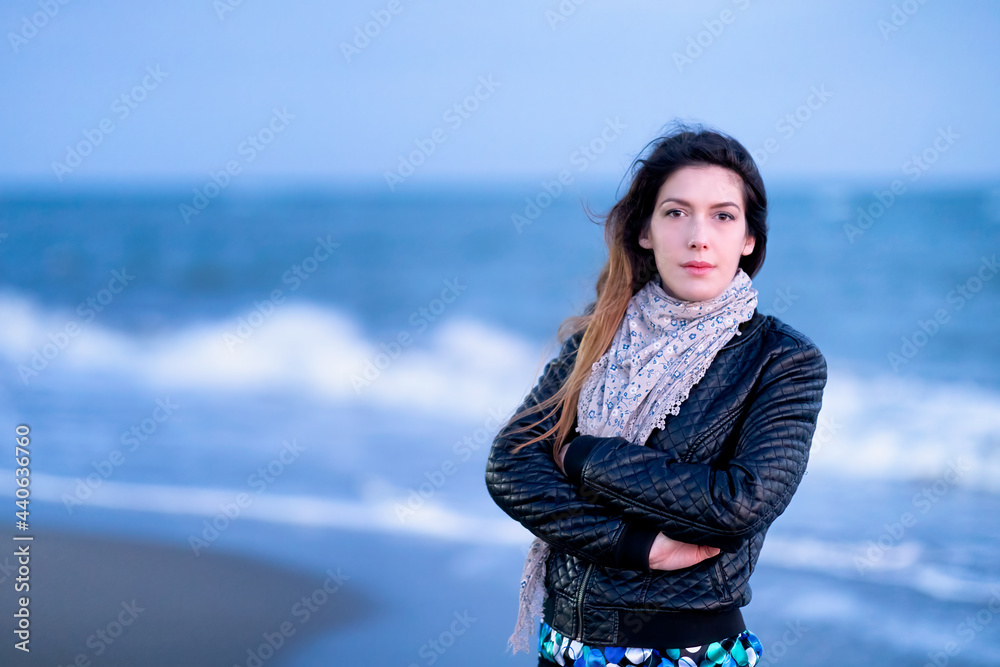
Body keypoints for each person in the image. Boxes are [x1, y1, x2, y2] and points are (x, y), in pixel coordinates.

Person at [484, 122, 829, 667]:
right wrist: (632, 544)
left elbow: (738, 503)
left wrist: (585, 456)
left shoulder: (782, 360)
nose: (698, 236)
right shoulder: (597, 339)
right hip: (567, 642)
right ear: (645, 230)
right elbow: (510, 465)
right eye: (675, 212)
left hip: (688, 648)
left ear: (749, 239)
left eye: (722, 216)